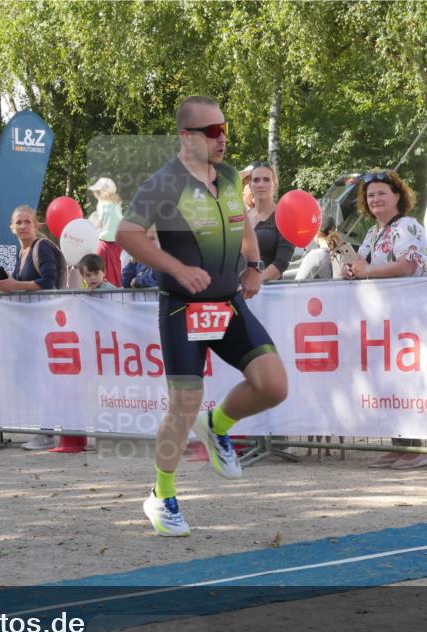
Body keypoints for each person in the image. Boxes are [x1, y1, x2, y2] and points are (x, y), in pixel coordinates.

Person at [116, 94, 288, 537]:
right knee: (184, 402)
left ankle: (217, 426)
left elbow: (244, 226)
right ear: (186, 137)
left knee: (273, 385)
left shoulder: (228, 178)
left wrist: (252, 266)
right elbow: (127, 234)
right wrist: (175, 267)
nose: (222, 139)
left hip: (228, 303)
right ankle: (162, 496)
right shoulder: (164, 183)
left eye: (225, 129)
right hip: (181, 308)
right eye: (212, 131)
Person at [343, 169, 427, 470]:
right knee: (387, 380)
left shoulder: (407, 226)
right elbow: (362, 264)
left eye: (382, 192)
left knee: (407, 379)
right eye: (370, 195)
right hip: (381, 317)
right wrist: (352, 270)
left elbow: (408, 264)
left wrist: (365, 271)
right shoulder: (372, 232)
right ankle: (398, 443)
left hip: (409, 315)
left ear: (397, 195)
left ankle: (417, 446)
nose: (375, 199)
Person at [0, 205, 65, 450]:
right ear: (12, 227)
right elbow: (24, 284)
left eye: (28, 222)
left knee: (41, 378)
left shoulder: (42, 247)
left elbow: (48, 282)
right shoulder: (22, 252)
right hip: (28, 326)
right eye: (19, 222)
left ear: (36, 225)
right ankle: (48, 426)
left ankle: (47, 430)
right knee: (25, 377)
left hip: (45, 324)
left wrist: (15, 283)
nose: (24, 226)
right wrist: (10, 286)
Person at [247, 161, 295, 281]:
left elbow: (281, 263)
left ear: (275, 185)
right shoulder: (242, 217)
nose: (261, 184)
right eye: (256, 180)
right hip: (237, 292)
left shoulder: (284, 217)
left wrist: (253, 284)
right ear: (250, 185)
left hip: (268, 293)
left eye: (266, 180)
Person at [88, 178, 124, 287]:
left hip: (104, 240)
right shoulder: (117, 204)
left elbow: (100, 221)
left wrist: (91, 229)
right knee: (117, 267)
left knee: (95, 264)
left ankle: (97, 287)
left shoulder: (102, 203)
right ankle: (117, 287)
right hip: (118, 241)